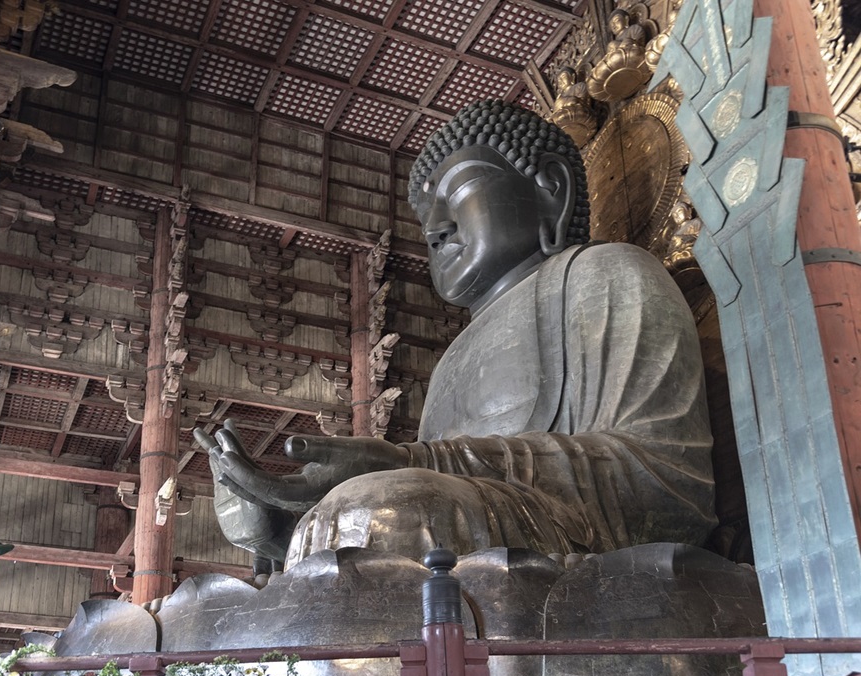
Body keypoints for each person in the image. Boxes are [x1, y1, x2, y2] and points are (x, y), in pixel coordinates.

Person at [196, 100, 716, 569]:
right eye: (425, 216)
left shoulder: (607, 274)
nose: (434, 229)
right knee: (364, 515)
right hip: (473, 543)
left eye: (459, 192)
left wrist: (413, 462)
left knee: (387, 510)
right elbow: (437, 487)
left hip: (583, 547)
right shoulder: (453, 360)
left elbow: (668, 481)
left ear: (549, 189)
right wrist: (278, 526)